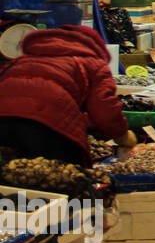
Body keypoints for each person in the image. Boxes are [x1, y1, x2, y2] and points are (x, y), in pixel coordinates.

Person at [0, 25, 136, 165]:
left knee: (11, 176)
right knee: (57, 179)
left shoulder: (20, 61)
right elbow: (105, 111)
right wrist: (123, 136)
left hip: (3, 121)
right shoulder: (92, 63)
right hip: (48, 127)